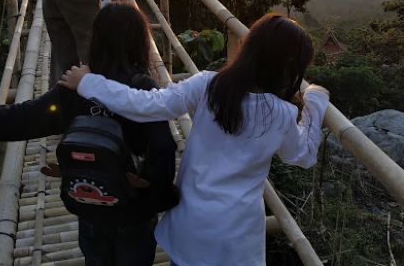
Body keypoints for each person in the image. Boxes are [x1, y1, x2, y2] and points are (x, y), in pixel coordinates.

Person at [0, 2, 178, 266]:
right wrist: (157, 199)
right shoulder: (143, 90)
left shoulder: (76, 87)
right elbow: (164, 148)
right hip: (132, 214)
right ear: (140, 40)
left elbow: (13, 121)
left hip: (90, 204)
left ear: (96, 40)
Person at [60, 13, 330, 266]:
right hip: (235, 237)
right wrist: (315, 101)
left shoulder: (209, 85)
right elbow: (302, 155)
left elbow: (146, 104)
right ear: (287, 68)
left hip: (191, 228)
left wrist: (89, 83)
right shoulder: (282, 113)